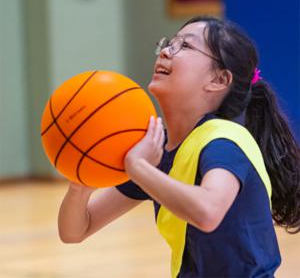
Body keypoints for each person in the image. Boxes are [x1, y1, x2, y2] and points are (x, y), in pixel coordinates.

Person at [58, 16, 300, 277]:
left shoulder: (224, 141)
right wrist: (79, 186)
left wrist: (139, 167)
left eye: (184, 46)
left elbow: (208, 211)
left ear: (218, 80)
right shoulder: (157, 148)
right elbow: (75, 231)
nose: (165, 51)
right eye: (169, 43)